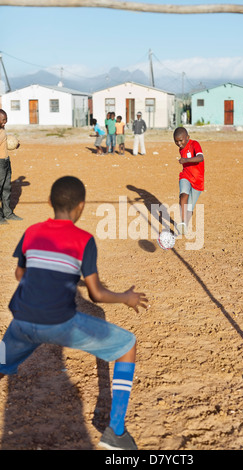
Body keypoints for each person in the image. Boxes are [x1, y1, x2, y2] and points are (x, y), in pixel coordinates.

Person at [0, 176, 148, 450]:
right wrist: (126, 297)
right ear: (81, 207)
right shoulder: (84, 239)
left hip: (21, 320)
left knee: (0, 361)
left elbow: (20, 272)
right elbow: (96, 294)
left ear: (49, 203)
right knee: (128, 345)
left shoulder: (31, 231)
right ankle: (115, 431)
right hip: (61, 324)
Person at [173, 127, 204, 234]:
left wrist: (186, 160)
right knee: (183, 195)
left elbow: (200, 158)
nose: (179, 143)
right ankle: (182, 222)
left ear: (187, 138)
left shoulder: (194, 144)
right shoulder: (181, 148)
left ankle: (185, 224)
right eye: (176, 141)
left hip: (198, 180)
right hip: (185, 175)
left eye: (181, 140)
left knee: (190, 207)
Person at [0, 109, 22, 224]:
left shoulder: (2, 129)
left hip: (5, 161)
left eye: (6, 120)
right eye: (3, 120)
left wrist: (14, 145)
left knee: (6, 189)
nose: (5, 122)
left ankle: (8, 213)